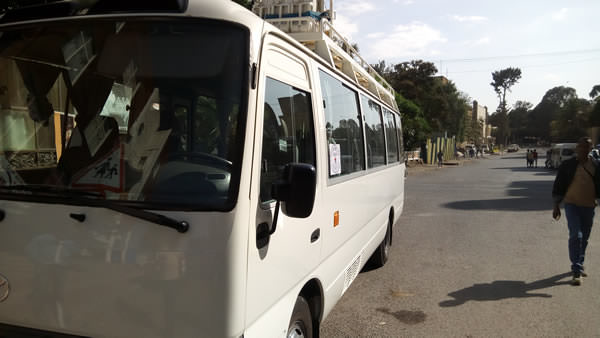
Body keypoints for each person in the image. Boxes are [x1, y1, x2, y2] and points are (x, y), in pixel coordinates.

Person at [552, 137, 600, 285]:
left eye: (587, 147)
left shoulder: (597, 165)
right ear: (577, 149)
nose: (584, 150)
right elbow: (559, 185)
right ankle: (576, 270)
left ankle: (579, 261)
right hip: (572, 205)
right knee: (576, 235)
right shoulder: (568, 165)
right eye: (581, 147)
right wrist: (556, 205)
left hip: (589, 206)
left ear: (591, 148)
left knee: (584, 238)